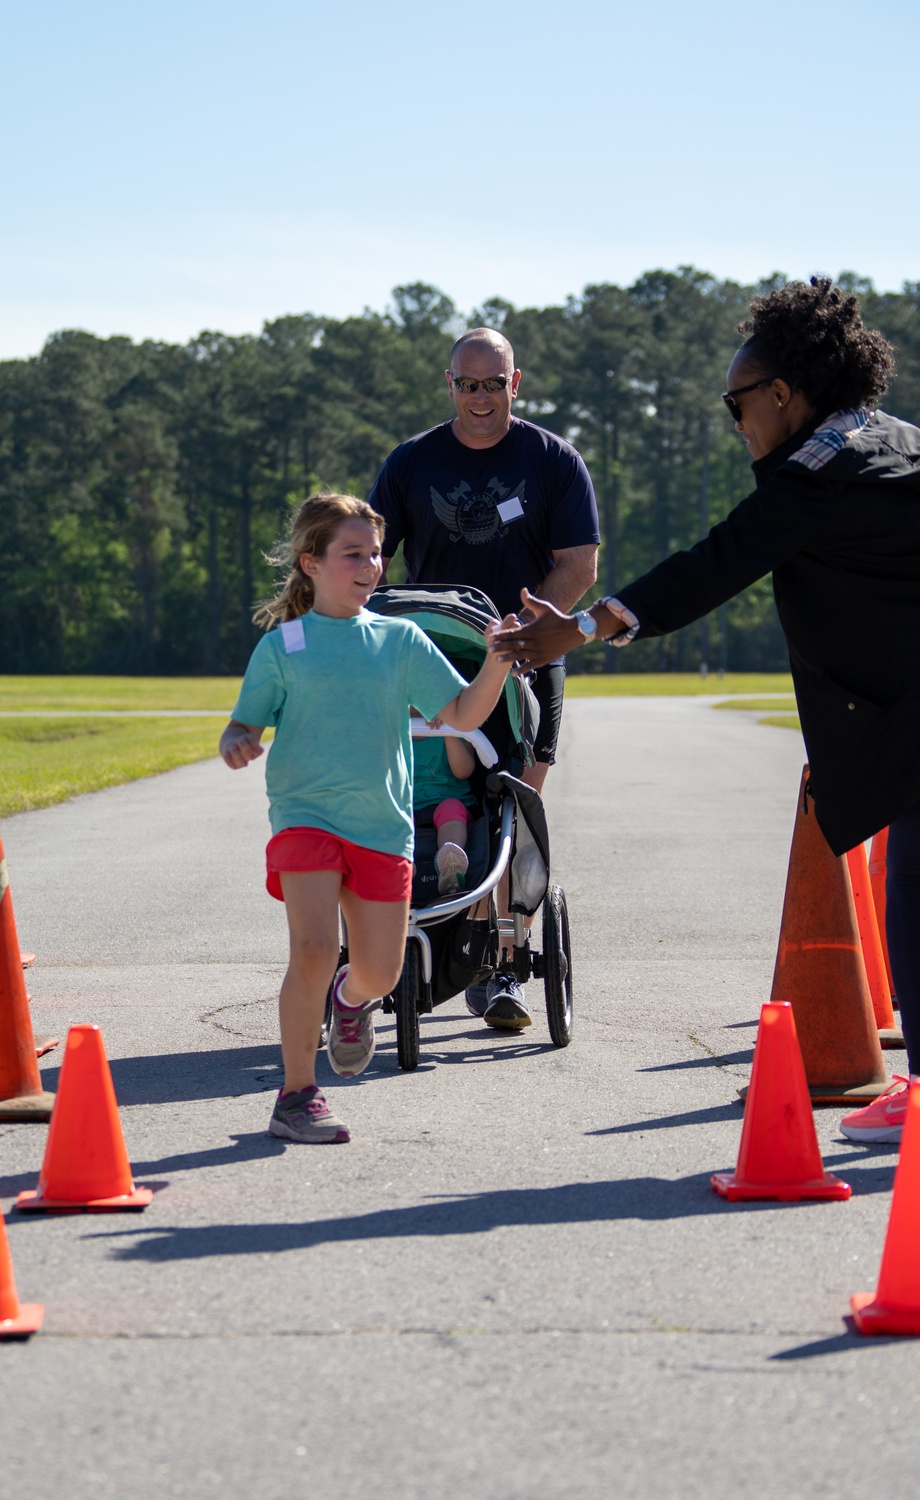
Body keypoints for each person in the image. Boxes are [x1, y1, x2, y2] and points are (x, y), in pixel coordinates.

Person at [491, 276, 920, 1147]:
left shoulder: (816, 477)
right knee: (913, 879)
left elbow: (713, 565)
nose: (737, 425)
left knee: (914, 884)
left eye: (738, 404)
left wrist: (575, 629)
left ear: (781, 394)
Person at [219, 493, 513, 1145]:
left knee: (380, 971)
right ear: (310, 563)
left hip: (382, 825)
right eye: (352, 553)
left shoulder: (400, 640)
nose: (371, 565)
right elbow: (245, 721)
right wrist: (235, 739)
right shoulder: (285, 644)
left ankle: (352, 1002)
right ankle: (296, 1095)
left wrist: (496, 659)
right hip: (305, 816)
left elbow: (462, 715)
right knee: (315, 949)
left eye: (376, 553)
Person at [369, 326, 601, 1029]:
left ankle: (506, 967)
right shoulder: (413, 463)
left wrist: (519, 630)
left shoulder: (552, 461)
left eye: (493, 384)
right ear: (450, 386)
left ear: (515, 383)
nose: (480, 397)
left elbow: (579, 563)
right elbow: (373, 549)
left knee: (512, 801)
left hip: (526, 653)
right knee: (429, 799)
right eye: (467, 384)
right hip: (432, 652)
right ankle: (410, 948)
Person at [411, 724, 478, 893]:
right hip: (408, 806)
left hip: (450, 804)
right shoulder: (393, 732)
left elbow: (463, 771)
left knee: (450, 808)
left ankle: (451, 863)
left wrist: (448, 731)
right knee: (394, 814)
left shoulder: (454, 727)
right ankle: (402, 863)